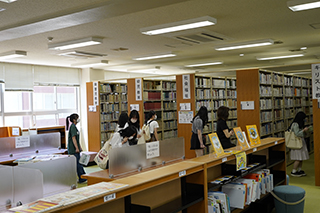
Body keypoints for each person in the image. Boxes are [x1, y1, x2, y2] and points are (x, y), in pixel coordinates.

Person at [289, 111, 311, 177]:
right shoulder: (295, 124)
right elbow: (297, 133)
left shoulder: (299, 123)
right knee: (298, 158)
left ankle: (299, 170)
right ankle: (293, 171)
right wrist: (304, 130)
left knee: (301, 158)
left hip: (301, 142)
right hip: (297, 143)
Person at [66, 113, 86, 183]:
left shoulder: (74, 127)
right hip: (73, 149)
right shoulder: (73, 127)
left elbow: (77, 139)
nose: (78, 120)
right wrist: (77, 148)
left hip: (74, 148)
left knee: (78, 163)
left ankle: (83, 177)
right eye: (77, 118)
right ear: (74, 120)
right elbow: (73, 138)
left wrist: (79, 147)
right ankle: (82, 178)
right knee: (78, 164)